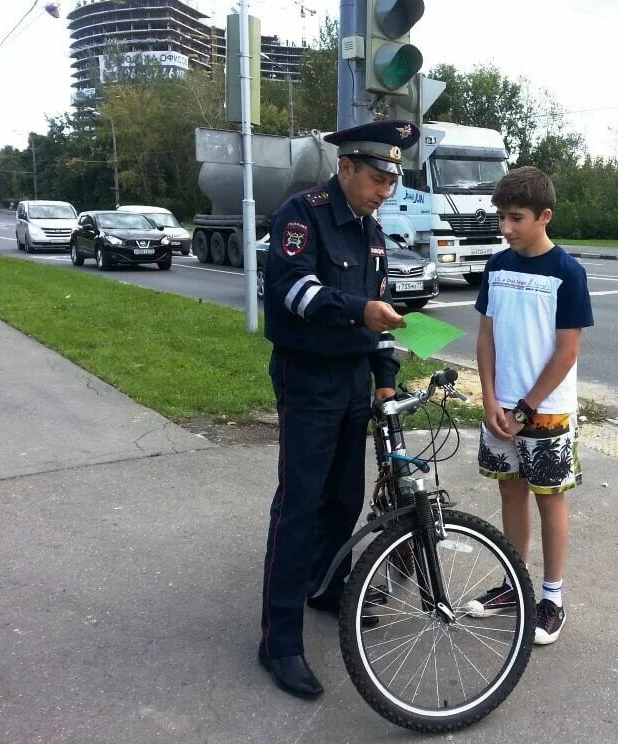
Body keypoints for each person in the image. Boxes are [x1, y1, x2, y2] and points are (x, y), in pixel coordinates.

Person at [258, 119, 419, 700]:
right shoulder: (303, 214)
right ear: (346, 167)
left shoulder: (372, 232)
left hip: (353, 382)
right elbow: (291, 292)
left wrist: (384, 381)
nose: (385, 191)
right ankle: (278, 641)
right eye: (377, 179)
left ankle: (325, 587)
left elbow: (383, 314)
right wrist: (358, 310)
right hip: (308, 379)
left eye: (391, 182)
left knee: (345, 498)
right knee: (299, 505)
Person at [466, 166, 594, 646]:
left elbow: (567, 352)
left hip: (547, 411)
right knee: (510, 493)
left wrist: (526, 408)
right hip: (501, 408)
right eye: (501, 217)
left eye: (515, 218)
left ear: (545, 217)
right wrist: (489, 398)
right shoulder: (498, 267)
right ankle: (513, 582)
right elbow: (485, 337)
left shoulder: (567, 273)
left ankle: (552, 598)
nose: (505, 228)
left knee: (549, 498)